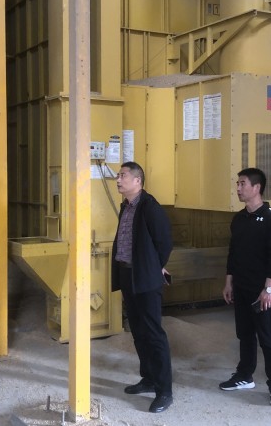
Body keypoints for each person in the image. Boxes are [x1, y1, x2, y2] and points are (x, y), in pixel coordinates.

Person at [220, 167, 271, 406]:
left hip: (261, 291)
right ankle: (244, 376)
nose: (238, 188)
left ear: (256, 188)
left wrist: (268, 289)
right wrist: (229, 282)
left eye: (242, 184)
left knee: (267, 338)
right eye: (237, 184)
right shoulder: (239, 219)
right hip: (241, 287)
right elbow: (233, 253)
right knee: (245, 334)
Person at [111, 161, 174, 413]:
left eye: (123, 175)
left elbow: (164, 242)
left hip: (146, 278)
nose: (118, 179)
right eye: (118, 175)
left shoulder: (150, 207)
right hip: (128, 275)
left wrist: (155, 266)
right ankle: (148, 379)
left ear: (137, 181)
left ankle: (164, 391)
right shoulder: (126, 206)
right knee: (138, 330)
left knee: (153, 333)